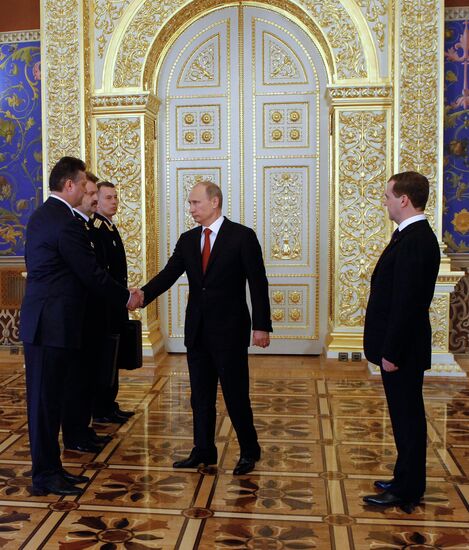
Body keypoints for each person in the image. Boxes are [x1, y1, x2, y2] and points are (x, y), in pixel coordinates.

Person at [20, 157, 142, 496]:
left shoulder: (51, 216)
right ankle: (44, 476)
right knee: (44, 406)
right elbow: (89, 272)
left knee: (52, 402)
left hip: (53, 324)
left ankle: (52, 469)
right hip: (50, 325)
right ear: (69, 185)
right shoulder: (64, 221)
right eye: (83, 184)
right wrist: (125, 297)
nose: (88, 191)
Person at [141, 181, 272, 475]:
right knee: (200, 396)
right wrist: (142, 296)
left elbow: (258, 282)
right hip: (198, 331)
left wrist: (261, 326)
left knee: (236, 394)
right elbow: (169, 274)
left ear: (214, 202)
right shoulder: (188, 240)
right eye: (190, 204)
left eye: (196, 203)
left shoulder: (242, 237)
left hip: (230, 331)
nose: (191, 209)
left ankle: (249, 450)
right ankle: (203, 450)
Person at [362, 171, 440, 509]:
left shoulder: (416, 239)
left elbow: (408, 304)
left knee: (408, 419)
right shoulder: (409, 236)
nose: (385, 202)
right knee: (404, 417)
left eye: (388, 196)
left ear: (404, 199)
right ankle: (404, 477)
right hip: (400, 349)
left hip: (402, 351)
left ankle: (407, 489)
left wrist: (390, 351)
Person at [62, 172, 112, 453]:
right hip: (78, 318)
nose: (93, 198)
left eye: (95, 194)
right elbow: (91, 275)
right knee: (76, 380)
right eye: (90, 193)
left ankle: (83, 429)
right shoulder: (74, 227)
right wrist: (124, 297)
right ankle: (76, 433)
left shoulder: (87, 227)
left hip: (92, 316)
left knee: (87, 377)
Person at [92, 181, 134, 424]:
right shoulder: (96, 229)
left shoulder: (108, 227)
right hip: (105, 306)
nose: (115, 201)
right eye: (109, 197)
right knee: (105, 356)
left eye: (116, 197)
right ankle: (101, 406)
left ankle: (110, 403)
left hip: (116, 303)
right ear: (96, 200)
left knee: (114, 354)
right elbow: (101, 273)